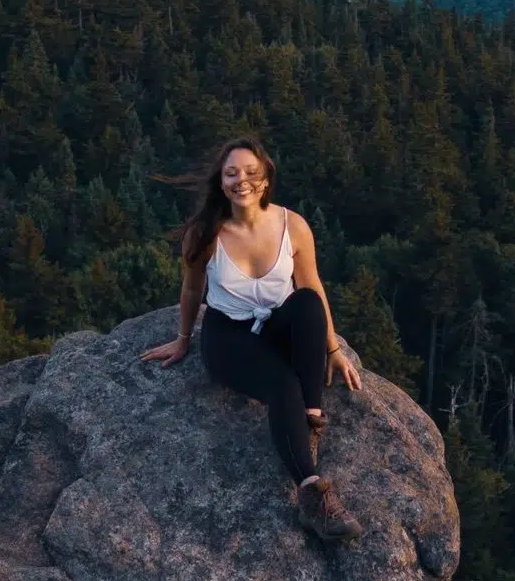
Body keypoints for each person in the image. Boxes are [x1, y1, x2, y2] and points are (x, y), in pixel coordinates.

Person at [141, 135, 364, 544]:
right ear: (221, 182)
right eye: (231, 173)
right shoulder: (205, 233)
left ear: (264, 181)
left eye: (250, 173)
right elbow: (192, 291)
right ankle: (313, 495)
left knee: (309, 303)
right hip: (229, 335)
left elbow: (310, 284)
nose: (240, 180)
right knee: (282, 386)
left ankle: (311, 415)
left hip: (276, 325)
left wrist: (332, 349)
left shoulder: (291, 225)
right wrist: (182, 339)